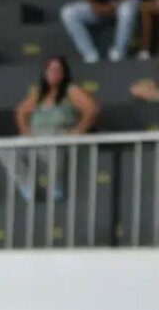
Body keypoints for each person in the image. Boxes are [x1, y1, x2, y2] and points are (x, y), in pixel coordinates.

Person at [8, 56, 98, 201]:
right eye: (51, 70)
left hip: (58, 137)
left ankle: (55, 186)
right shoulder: (38, 93)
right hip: (36, 139)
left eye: (58, 70)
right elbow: (20, 111)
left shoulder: (70, 90)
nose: (54, 73)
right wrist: (25, 131)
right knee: (7, 150)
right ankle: (28, 186)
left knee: (55, 146)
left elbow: (91, 109)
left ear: (64, 74)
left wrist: (78, 130)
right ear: (45, 73)